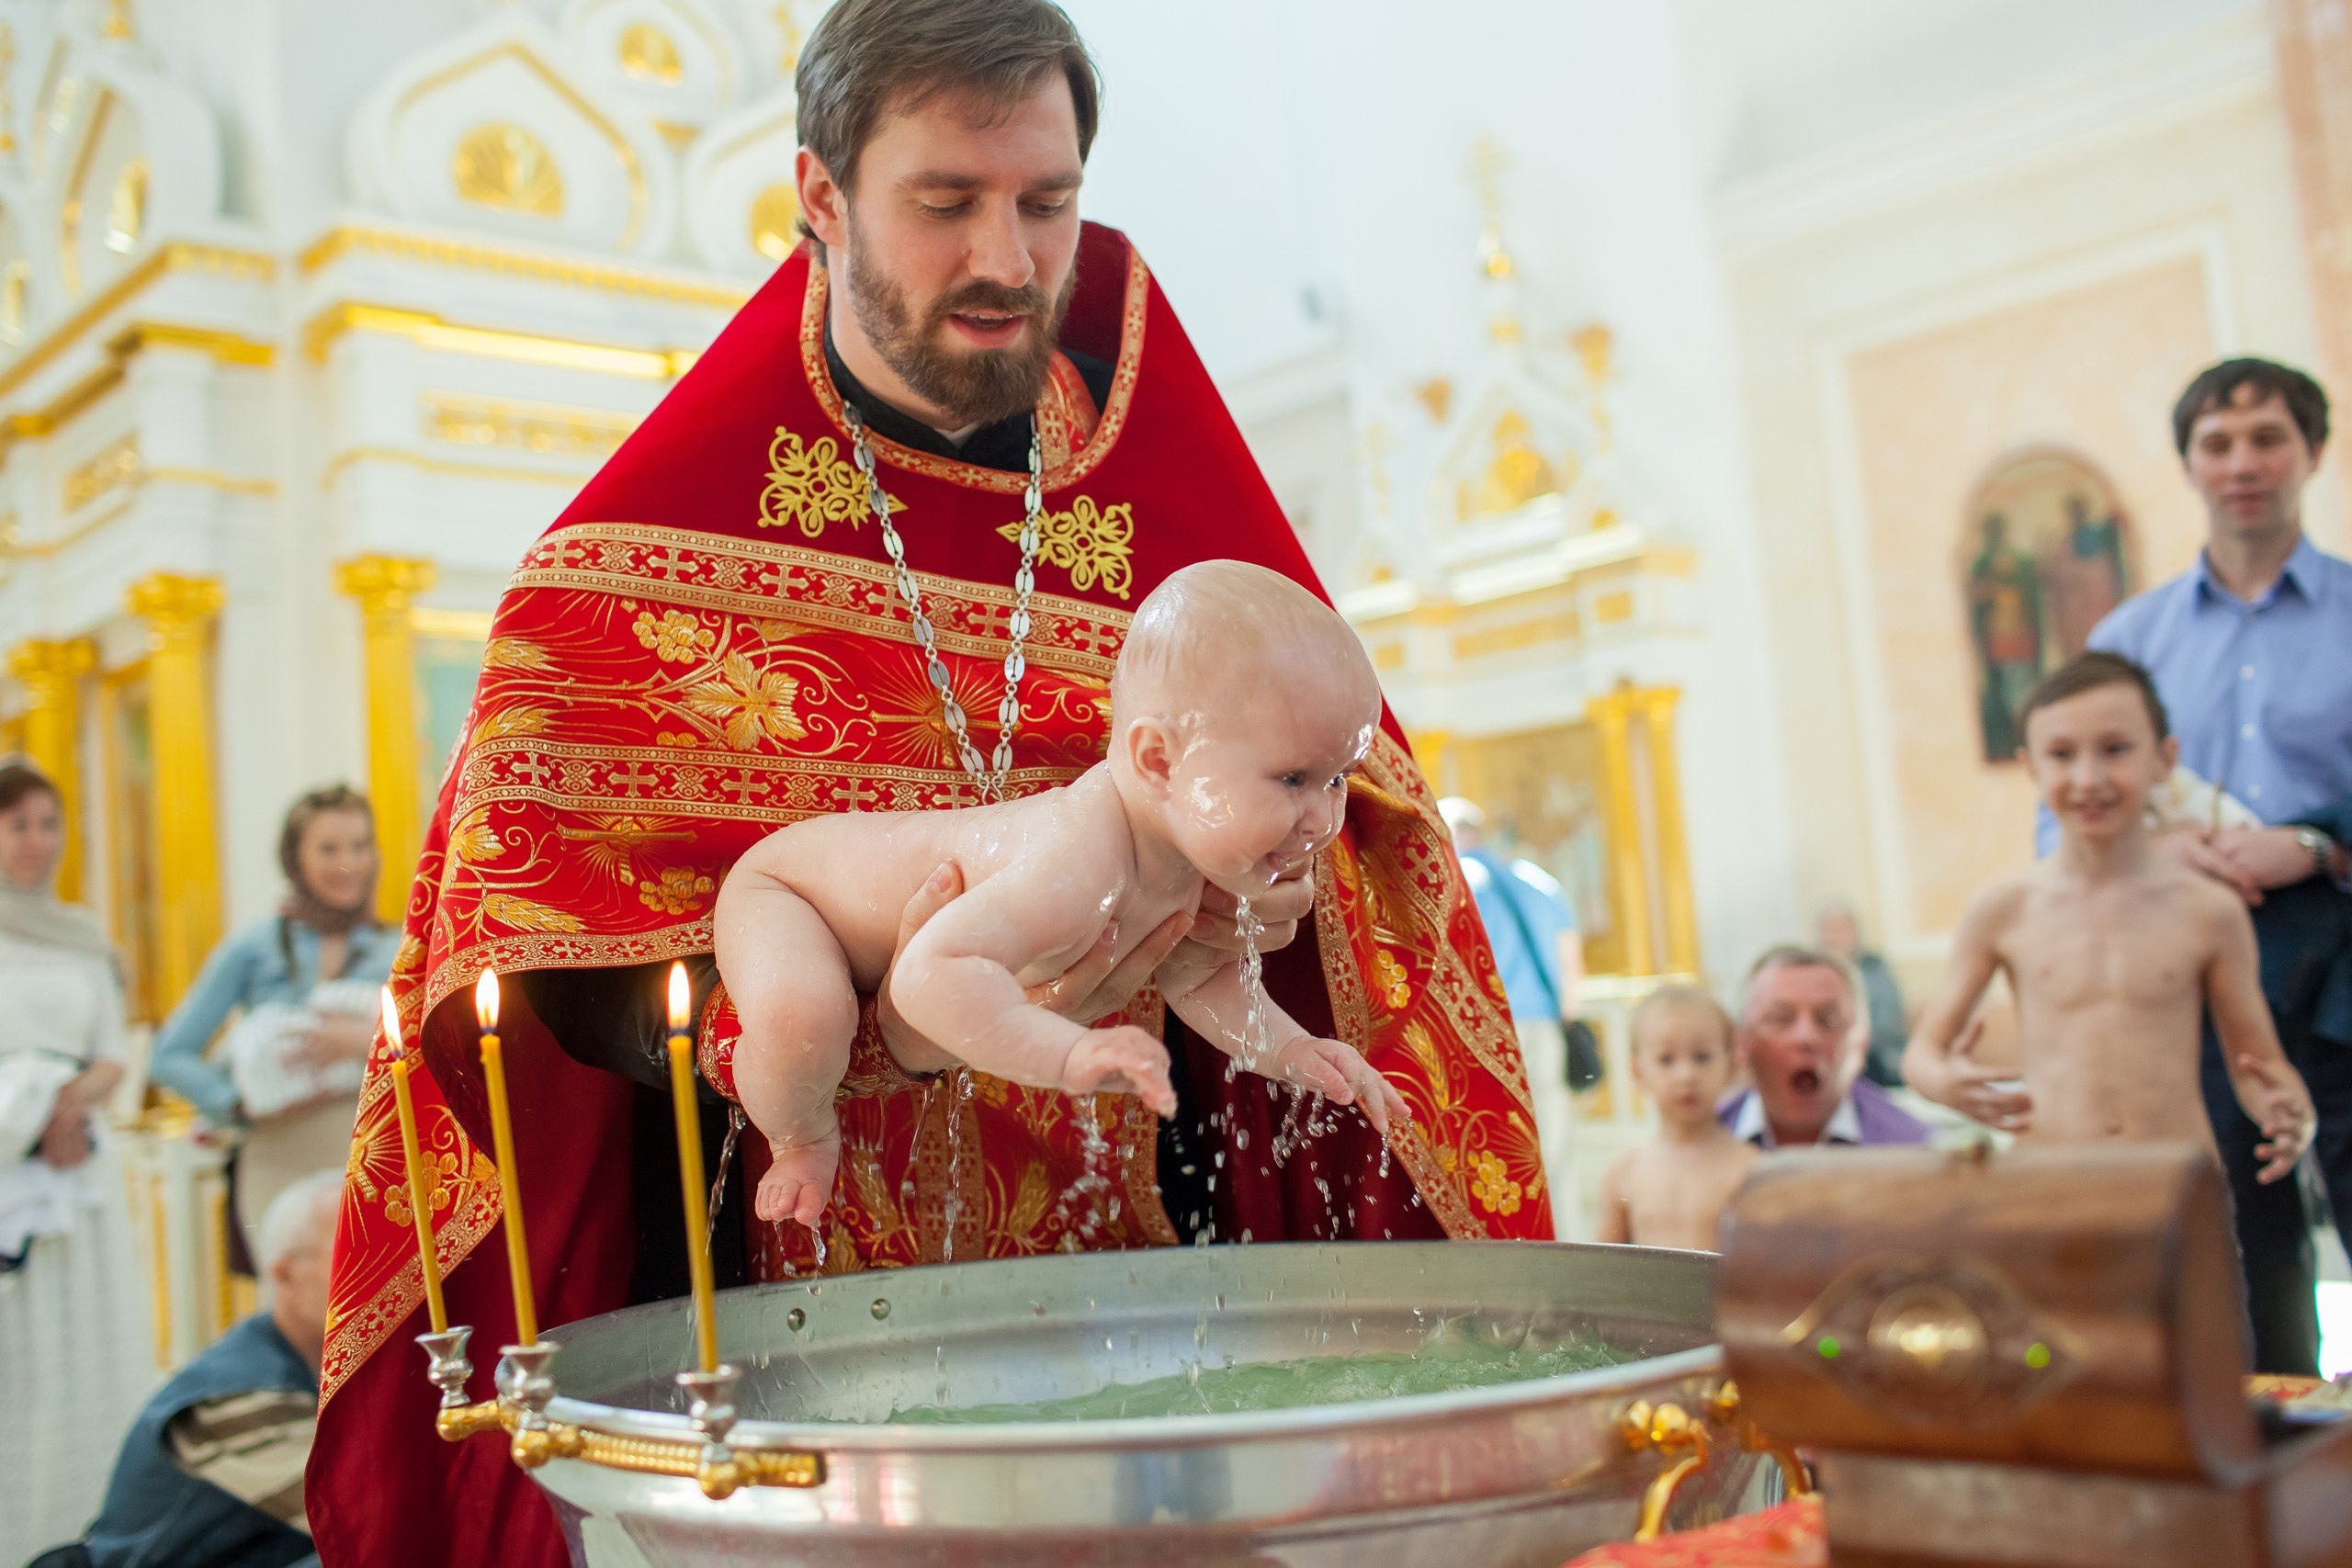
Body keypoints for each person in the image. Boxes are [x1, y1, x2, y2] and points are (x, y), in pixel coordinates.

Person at [311, 6, 1548, 1562]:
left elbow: (1365, 840)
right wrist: (824, 1032)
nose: (1012, 262)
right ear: (820, 200)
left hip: (1144, 1304)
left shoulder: (1169, 510)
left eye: (1048, 200)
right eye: (946, 202)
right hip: (794, 1352)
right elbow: (531, 948)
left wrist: (1290, 878)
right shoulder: (631, 553)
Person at [722, 563, 1404, 1226]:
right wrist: (1067, 1055)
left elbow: (1201, 978)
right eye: (1292, 779)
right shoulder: (1079, 859)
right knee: (804, 1021)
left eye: (1339, 778)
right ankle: (802, 1135)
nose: (1324, 820)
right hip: (788, 891)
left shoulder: (1183, 848)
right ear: (1159, 761)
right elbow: (930, 977)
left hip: (842, 896)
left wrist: (1294, 1050)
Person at [2050, 356, 2352, 1376]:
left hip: (2343, 943)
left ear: (2311, 451)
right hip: (2188, 970)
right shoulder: (2129, 639)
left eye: (2267, 438)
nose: (2243, 463)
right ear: (2187, 465)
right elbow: (2059, 823)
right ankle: (2283, 1478)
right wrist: (2149, 845)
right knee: (2245, 1244)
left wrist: (2315, 840)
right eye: (2217, 445)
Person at [1910, 654, 2313, 1182]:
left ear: (2164, 759)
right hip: (2053, 1185)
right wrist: (1945, 1083)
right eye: (2060, 754)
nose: (2088, 777)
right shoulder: (2003, 909)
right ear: (2031, 767)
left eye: (2115, 749)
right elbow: (1923, 1052)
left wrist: (2288, 1112)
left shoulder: (2209, 909)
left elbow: (2259, 1063)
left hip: (2177, 1183)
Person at [34, 1169, 341, 1568]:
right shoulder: (237, 1396)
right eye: (356, 1253)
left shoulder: (323, 1366)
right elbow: (368, 1519)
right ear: (285, 1275)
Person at [0, 760, 151, 1558]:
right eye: (17, 823)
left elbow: (112, 1049)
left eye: (47, 823)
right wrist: (26, 1109)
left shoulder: (83, 933)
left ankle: (85, 1528)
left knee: (86, 1344)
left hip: (77, 1157)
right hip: (6, 1161)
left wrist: (66, 1102)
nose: (35, 841)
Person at [147, 786, 397, 1255]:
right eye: (329, 848)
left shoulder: (401, 948)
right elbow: (168, 1054)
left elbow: (436, 1050)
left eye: (360, 846)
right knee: (295, 1306)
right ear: (294, 857)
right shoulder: (253, 946)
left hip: (374, 1159)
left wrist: (362, 1041)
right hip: (276, 1159)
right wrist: (236, 1102)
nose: (349, 862)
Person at [1439, 795, 1583, 1221]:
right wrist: (1566, 1019)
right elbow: (1571, 962)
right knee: (1556, 1143)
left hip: (1490, 1031)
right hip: (1545, 1022)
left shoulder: (1457, 880)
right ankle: (1568, 1237)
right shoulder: (1539, 882)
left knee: (1498, 1145)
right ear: (1481, 832)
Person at [1593, 985, 1756, 1251]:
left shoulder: (1752, 1170)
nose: (1686, 1075)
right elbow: (1599, 1274)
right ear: (1637, 1071)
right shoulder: (1623, 1174)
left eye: (1702, 1057)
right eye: (1666, 1060)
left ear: (1731, 1065)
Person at [1718, 945, 1930, 1148]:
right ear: (1742, 1043)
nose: (1806, 1037)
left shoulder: (1917, 1148)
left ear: (1862, 1043)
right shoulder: (1696, 1145)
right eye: (1781, 1019)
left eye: (1829, 1020)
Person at [1815, 901, 1907, 1089]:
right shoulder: (1812, 975)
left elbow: (1888, 1023)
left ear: (1855, 932)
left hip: (1876, 1059)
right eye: (1830, 929)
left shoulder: (1875, 968)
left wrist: (1849, 1044)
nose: (1835, 937)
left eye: (1842, 928)